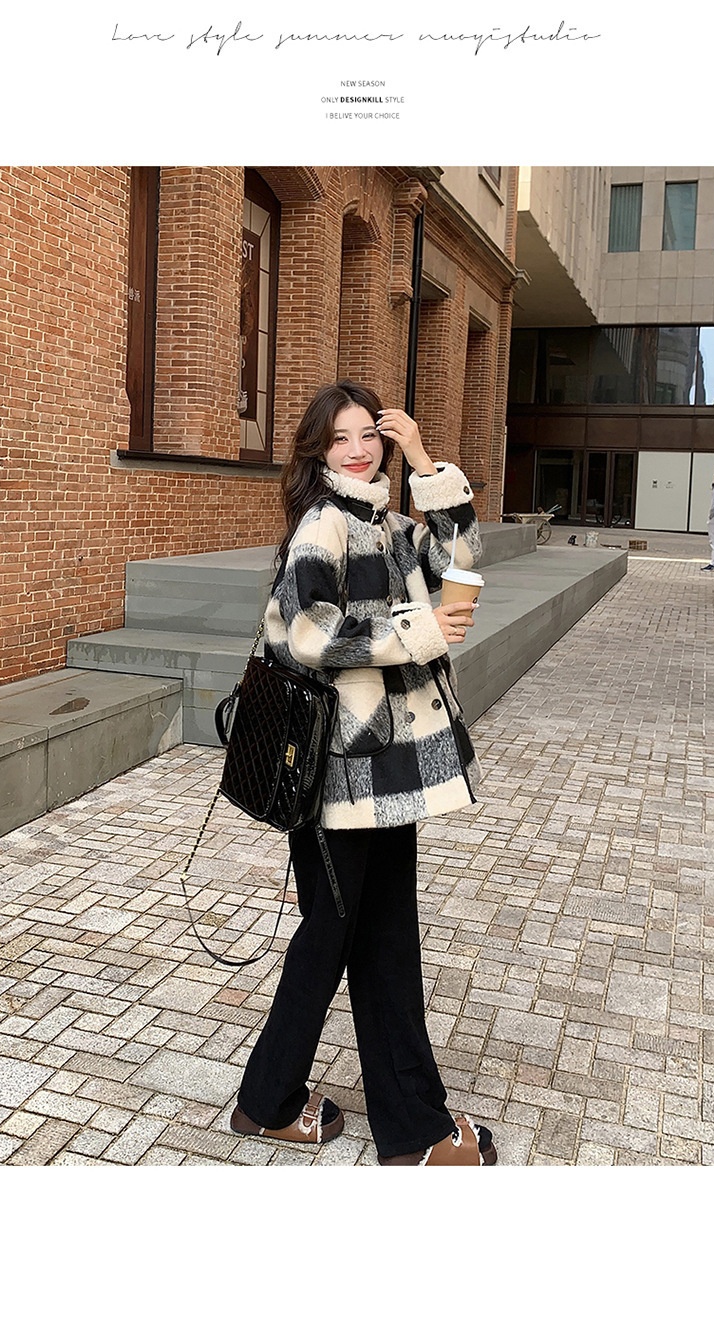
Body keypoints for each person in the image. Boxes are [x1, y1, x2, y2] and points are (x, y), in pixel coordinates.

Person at [228, 379, 496, 1166]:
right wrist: (418, 629)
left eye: (369, 435)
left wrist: (425, 462)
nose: (356, 449)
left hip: (380, 774)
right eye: (340, 437)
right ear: (318, 449)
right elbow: (308, 634)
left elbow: (463, 558)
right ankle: (400, 1129)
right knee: (356, 942)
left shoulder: (386, 521)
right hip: (341, 774)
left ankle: (282, 1103)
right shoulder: (326, 523)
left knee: (366, 939)